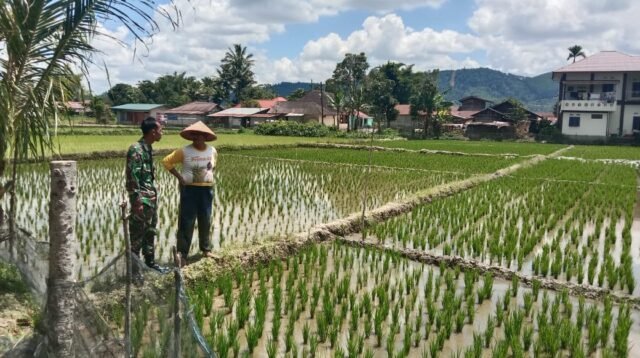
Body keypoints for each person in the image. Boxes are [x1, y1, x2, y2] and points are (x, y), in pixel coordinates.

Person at [162, 121, 218, 267]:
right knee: (187, 221)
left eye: (200, 136)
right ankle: (183, 254)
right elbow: (167, 162)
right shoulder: (184, 151)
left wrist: (209, 177)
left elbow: (212, 167)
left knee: (205, 219)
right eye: (194, 136)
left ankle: (206, 249)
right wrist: (180, 178)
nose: (196, 138)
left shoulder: (212, 150)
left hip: (206, 190)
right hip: (190, 190)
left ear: (205, 137)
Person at [125, 117, 169, 274]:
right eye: (160, 130)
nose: (162, 132)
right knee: (136, 238)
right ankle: (134, 272)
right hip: (141, 202)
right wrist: (137, 202)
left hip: (150, 200)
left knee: (150, 232)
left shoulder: (148, 148)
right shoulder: (136, 149)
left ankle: (150, 263)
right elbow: (132, 178)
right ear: (153, 132)